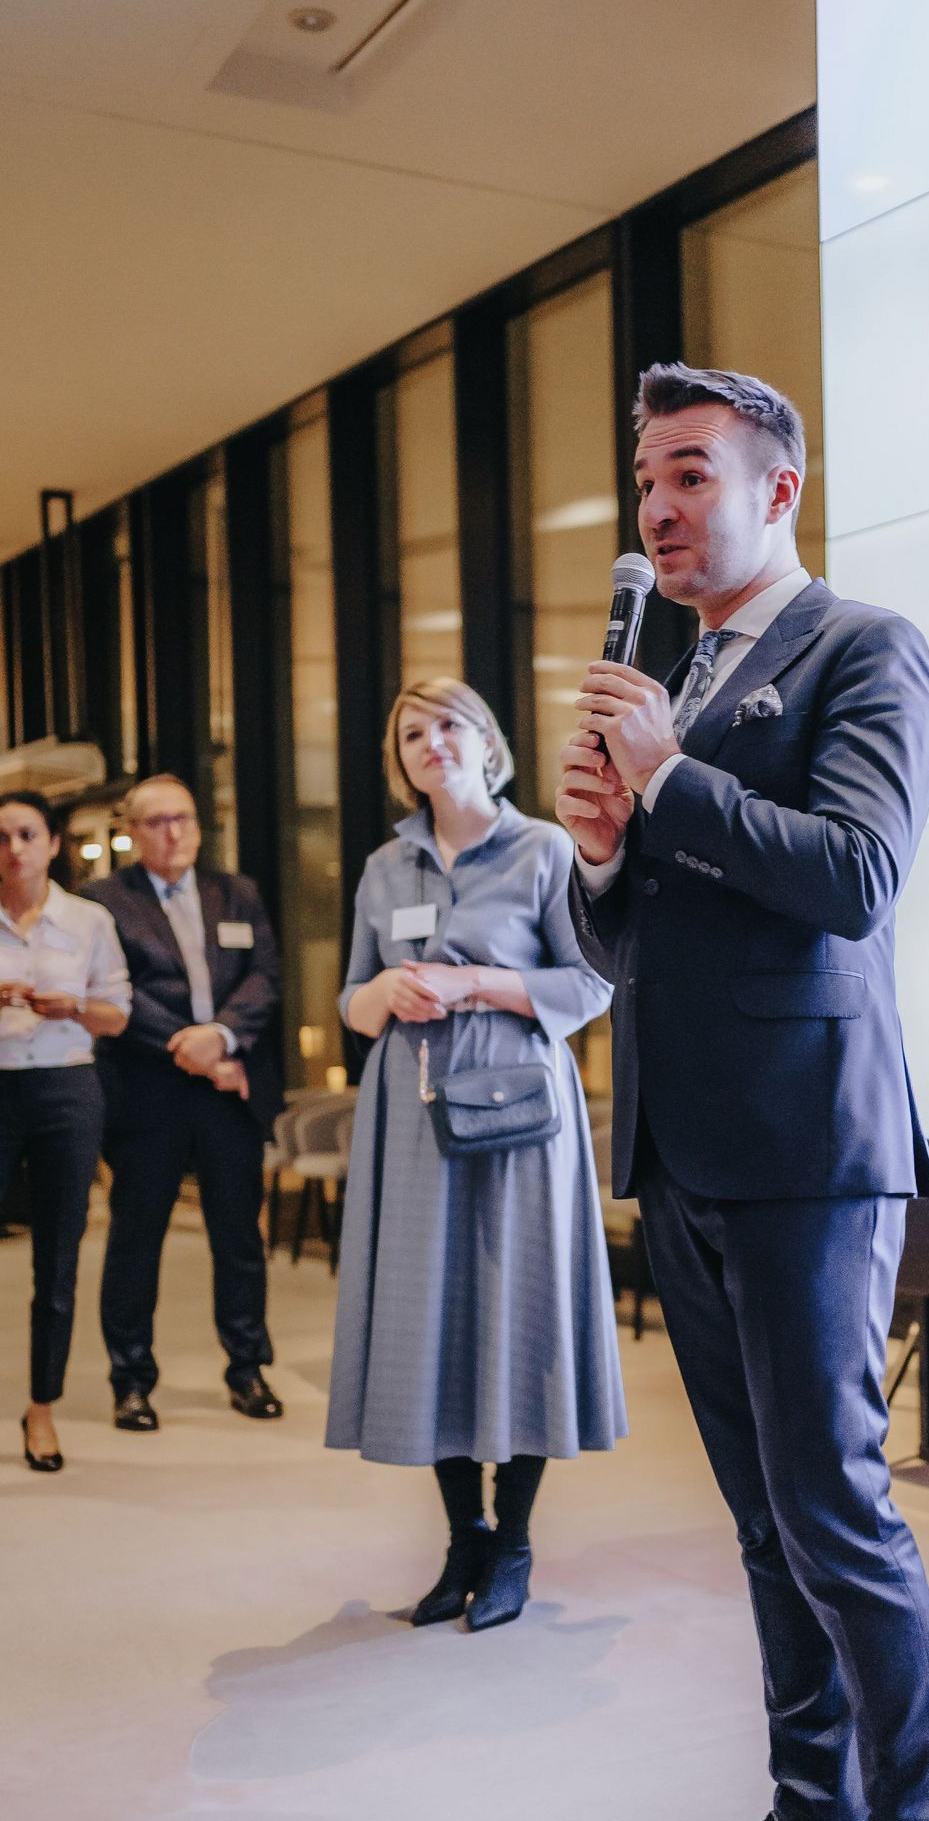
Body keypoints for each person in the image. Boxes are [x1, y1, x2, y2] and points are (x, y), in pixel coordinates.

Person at [556, 362, 929, 1821]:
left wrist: (670, 782)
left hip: (812, 1148)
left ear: (777, 488)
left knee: (836, 1515)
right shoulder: (676, 679)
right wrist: (606, 854)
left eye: (690, 474)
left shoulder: (864, 647)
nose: (659, 508)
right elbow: (631, 947)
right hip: (685, 1150)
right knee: (762, 1523)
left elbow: (858, 874)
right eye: (646, 481)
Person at [326, 678, 625, 1632]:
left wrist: (475, 985)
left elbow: (591, 985)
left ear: (488, 742)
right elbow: (351, 1000)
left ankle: (515, 1542)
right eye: (412, 732)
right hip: (413, 1114)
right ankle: (465, 1538)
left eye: (449, 724)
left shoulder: (544, 849)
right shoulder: (385, 866)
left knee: (517, 1310)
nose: (432, 741)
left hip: (520, 1117)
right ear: (400, 761)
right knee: (433, 1319)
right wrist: (387, 996)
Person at [82, 776, 284, 1431]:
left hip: (228, 1088)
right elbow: (113, 992)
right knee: (136, 1240)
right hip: (147, 1093)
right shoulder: (104, 902)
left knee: (239, 1238)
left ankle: (247, 1369)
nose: (173, 832)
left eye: (184, 819)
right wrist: (187, 1045)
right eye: (157, 822)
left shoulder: (237, 892)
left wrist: (221, 1037)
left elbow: (264, 976)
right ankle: (131, 1379)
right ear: (132, 832)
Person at [0, 792, 130, 1471]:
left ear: (53, 843)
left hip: (65, 1089)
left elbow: (118, 1015)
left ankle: (42, 1408)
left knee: (57, 1258)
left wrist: (74, 1007)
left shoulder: (88, 919)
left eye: (27, 834)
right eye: (1, 837)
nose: (13, 849)